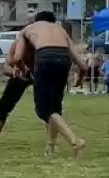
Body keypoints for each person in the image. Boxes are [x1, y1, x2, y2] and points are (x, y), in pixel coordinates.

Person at [12, 11, 87, 156]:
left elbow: (16, 57)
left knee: (44, 109)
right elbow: (82, 65)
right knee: (55, 108)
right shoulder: (61, 31)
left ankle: (75, 140)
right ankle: (50, 146)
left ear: (35, 21)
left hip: (45, 58)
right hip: (64, 60)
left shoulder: (28, 29)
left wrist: (24, 70)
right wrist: (79, 79)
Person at [0, 38, 33, 144]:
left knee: (50, 108)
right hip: (21, 74)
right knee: (2, 108)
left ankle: (51, 141)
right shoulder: (18, 44)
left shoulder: (43, 46)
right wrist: (14, 72)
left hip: (39, 72)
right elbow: (6, 67)